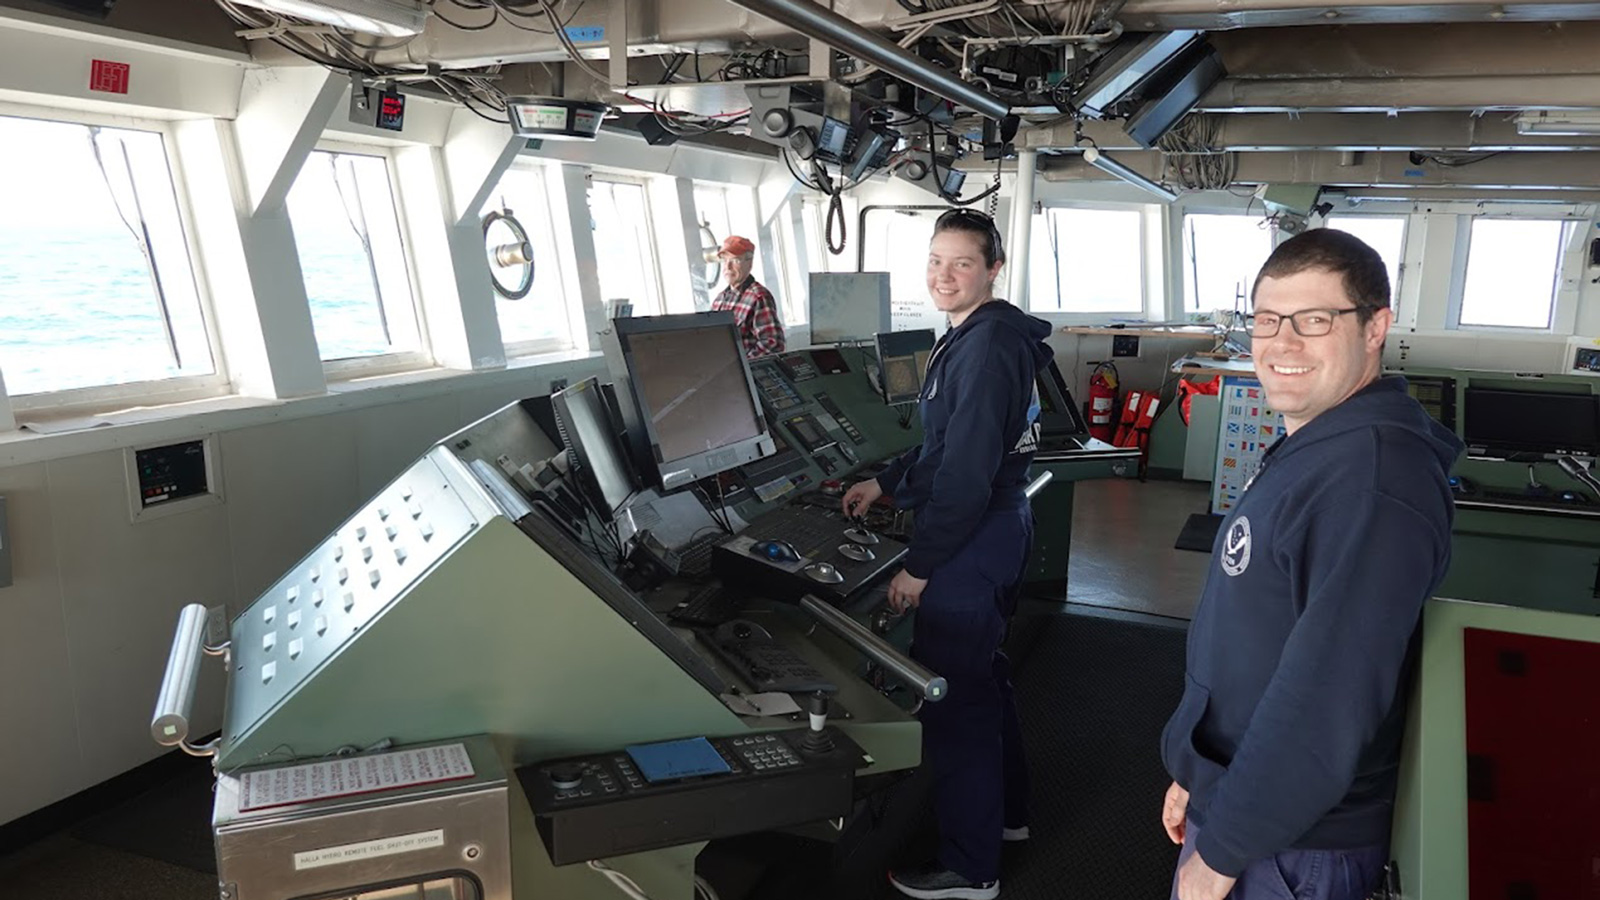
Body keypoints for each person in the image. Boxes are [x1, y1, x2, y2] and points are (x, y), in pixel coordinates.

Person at [1160, 229, 1464, 900]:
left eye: (1315, 320)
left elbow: (1325, 702)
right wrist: (1199, 769)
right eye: (1267, 320)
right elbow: (1261, 642)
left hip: (1293, 851)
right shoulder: (1323, 445)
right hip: (1250, 810)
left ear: (1376, 326)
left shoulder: (1371, 482)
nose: (1282, 343)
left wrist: (1223, 852)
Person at [842, 208, 1052, 900]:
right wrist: (889, 482)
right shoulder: (973, 337)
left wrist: (919, 566)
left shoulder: (987, 344)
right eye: (935, 260)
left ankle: (971, 866)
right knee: (984, 678)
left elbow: (963, 476)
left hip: (973, 536)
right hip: (991, 528)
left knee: (956, 699)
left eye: (962, 263)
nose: (944, 275)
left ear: (993, 269)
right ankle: (1007, 819)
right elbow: (945, 451)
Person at [710, 234, 784, 358]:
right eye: (725, 260)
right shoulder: (719, 300)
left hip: (745, 374)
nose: (728, 267)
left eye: (735, 260)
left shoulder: (759, 297)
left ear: (749, 263)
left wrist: (741, 365)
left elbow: (773, 344)